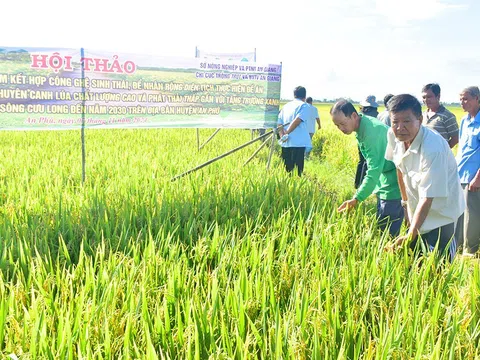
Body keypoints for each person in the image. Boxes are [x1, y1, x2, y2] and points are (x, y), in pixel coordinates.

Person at [385, 94, 465, 261]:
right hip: (417, 208)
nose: (400, 127)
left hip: (442, 215)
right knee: (414, 261)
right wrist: (406, 205)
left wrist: (411, 233)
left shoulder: (433, 147)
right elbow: (399, 168)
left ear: (420, 120)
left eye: (406, 121)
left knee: (439, 266)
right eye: (395, 122)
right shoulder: (393, 135)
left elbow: (428, 197)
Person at [330, 99, 403, 237]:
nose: (341, 129)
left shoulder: (371, 133)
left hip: (394, 183)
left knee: (386, 231)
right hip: (385, 179)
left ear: (354, 115)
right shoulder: (362, 125)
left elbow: (373, 170)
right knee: (383, 223)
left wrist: (356, 199)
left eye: (342, 124)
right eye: (337, 125)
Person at [455, 86, 480, 256]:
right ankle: (457, 247)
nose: (462, 103)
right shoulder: (464, 121)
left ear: (477, 98)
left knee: (472, 216)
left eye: (466, 99)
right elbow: (462, 149)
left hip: (474, 178)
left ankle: (470, 252)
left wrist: (478, 177)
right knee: (459, 214)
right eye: (461, 99)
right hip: (460, 173)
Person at [277, 86, 311, 176]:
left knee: (287, 170)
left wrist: (282, 135)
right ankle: (296, 189)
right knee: (297, 172)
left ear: (294, 95)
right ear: (305, 96)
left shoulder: (286, 106)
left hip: (285, 142)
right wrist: (287, 133)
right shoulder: (304, 106)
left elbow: (279, 122)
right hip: (298, 143)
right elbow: (298, 120)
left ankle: (287, 188)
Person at [421, 83, 459, 148]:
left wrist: (443, 150)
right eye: (424, 97)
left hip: (440, 157)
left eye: (429, 97)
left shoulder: (447, 116)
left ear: (438, 96)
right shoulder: (422, 115)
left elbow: (455, 138)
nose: (426, 100)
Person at [355, 95, 379, 189]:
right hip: (371, 140)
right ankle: (362, 185)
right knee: (367, 162)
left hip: (361, 139)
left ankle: (358, 184)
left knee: (362, 161)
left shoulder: (361, 114)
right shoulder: (375, 113)